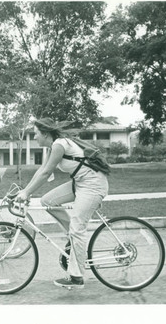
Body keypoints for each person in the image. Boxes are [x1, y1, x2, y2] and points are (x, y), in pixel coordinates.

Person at [15, 118, 109, 289]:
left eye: (36, 133)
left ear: (45, 133)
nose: (34, 137)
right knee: (48, 201)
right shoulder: (53, 147)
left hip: (93, 185)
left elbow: (46, 173)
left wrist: (27, 193)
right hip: (80, 182)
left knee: (77, 228)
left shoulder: (59, 144)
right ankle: (70, 238)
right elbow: (41, 171)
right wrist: (26, 191)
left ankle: (76, 277)